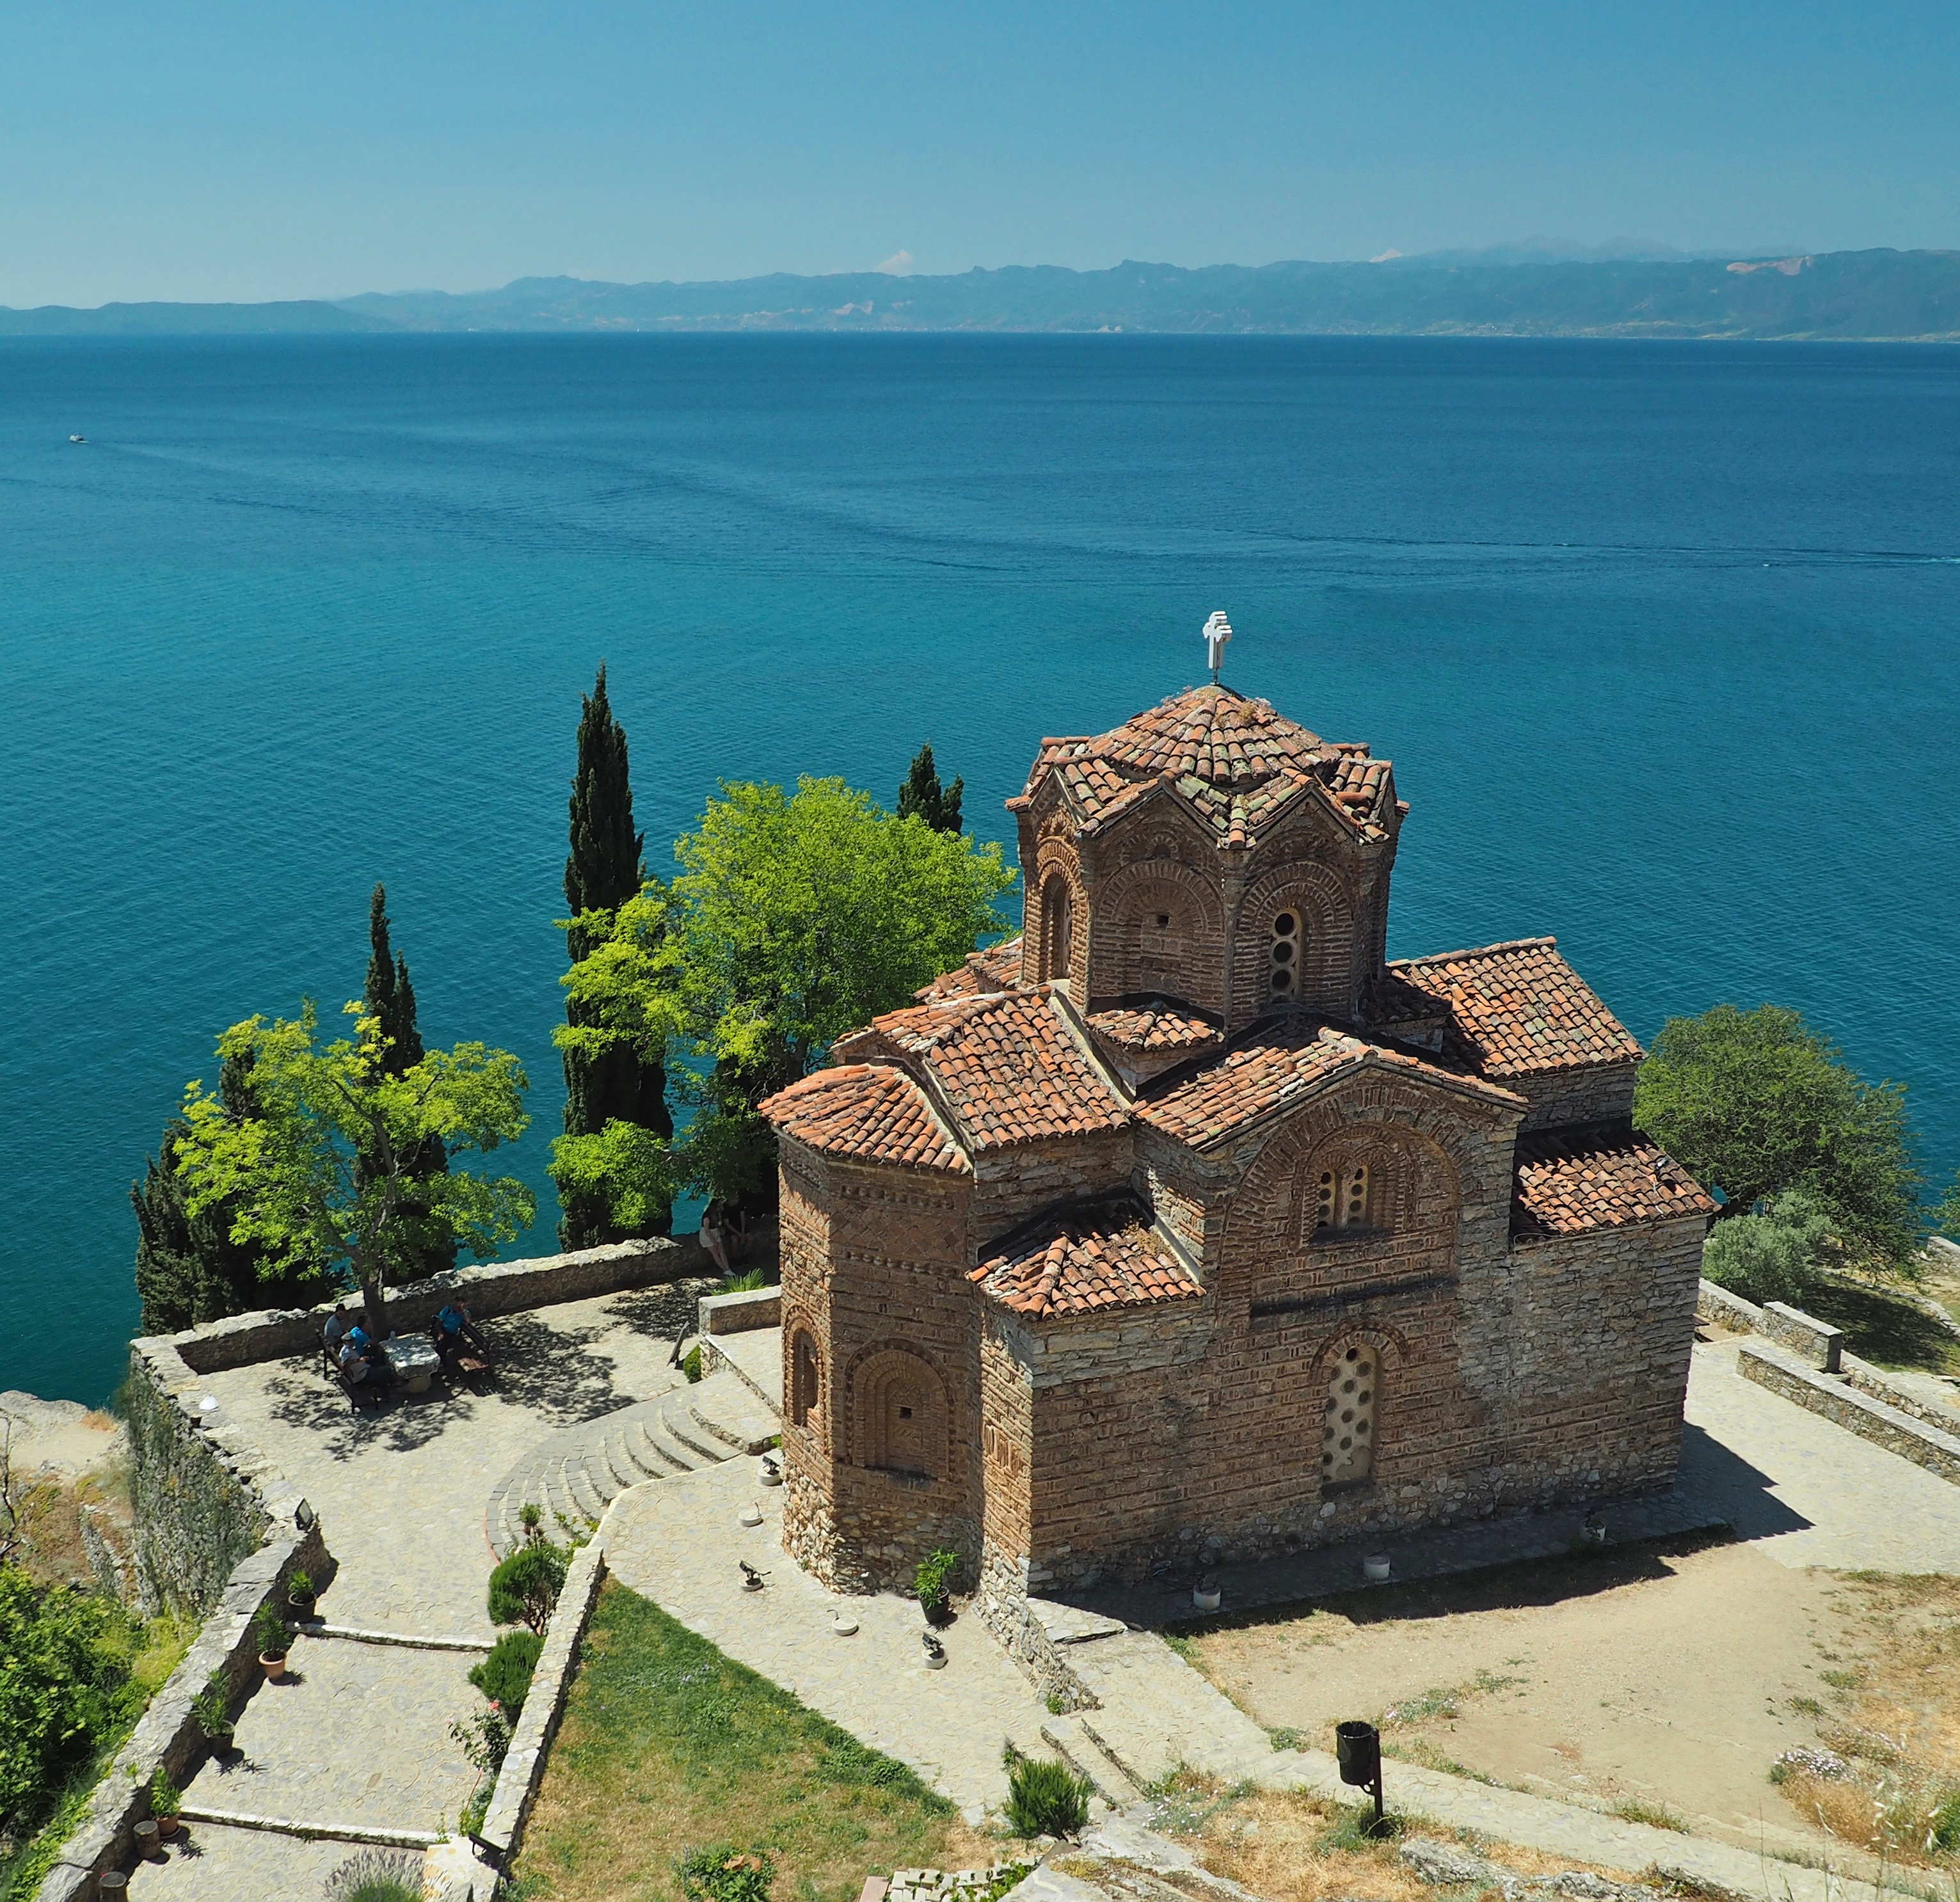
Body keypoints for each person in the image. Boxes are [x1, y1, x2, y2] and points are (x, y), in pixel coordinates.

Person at [433, 1298, 492, 1371]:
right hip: (442, 1330)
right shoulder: (447, 1310)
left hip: (452, 1334)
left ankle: (444, 1365)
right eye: (458, 1304)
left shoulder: (464, 1313)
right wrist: (440, 1333)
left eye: (461, 1305)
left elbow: (468, 1322)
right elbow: (438, 1323)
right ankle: (443, 1365)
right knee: (442, 1345)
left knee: (445, 1344)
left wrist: (463, 1311)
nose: (459, 1307)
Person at [699, 1200, 733, 1278]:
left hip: (715, 1233)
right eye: (719, 1206)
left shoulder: (718, 1214)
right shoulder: (707, 1216)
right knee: (716, 1253)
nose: (720, 1208)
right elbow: (707, 1230)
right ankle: (725, 1269)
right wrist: (713, 1241)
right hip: (708, 1235)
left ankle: (728, 1268)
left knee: (722, 1252)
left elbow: (718, 1225)